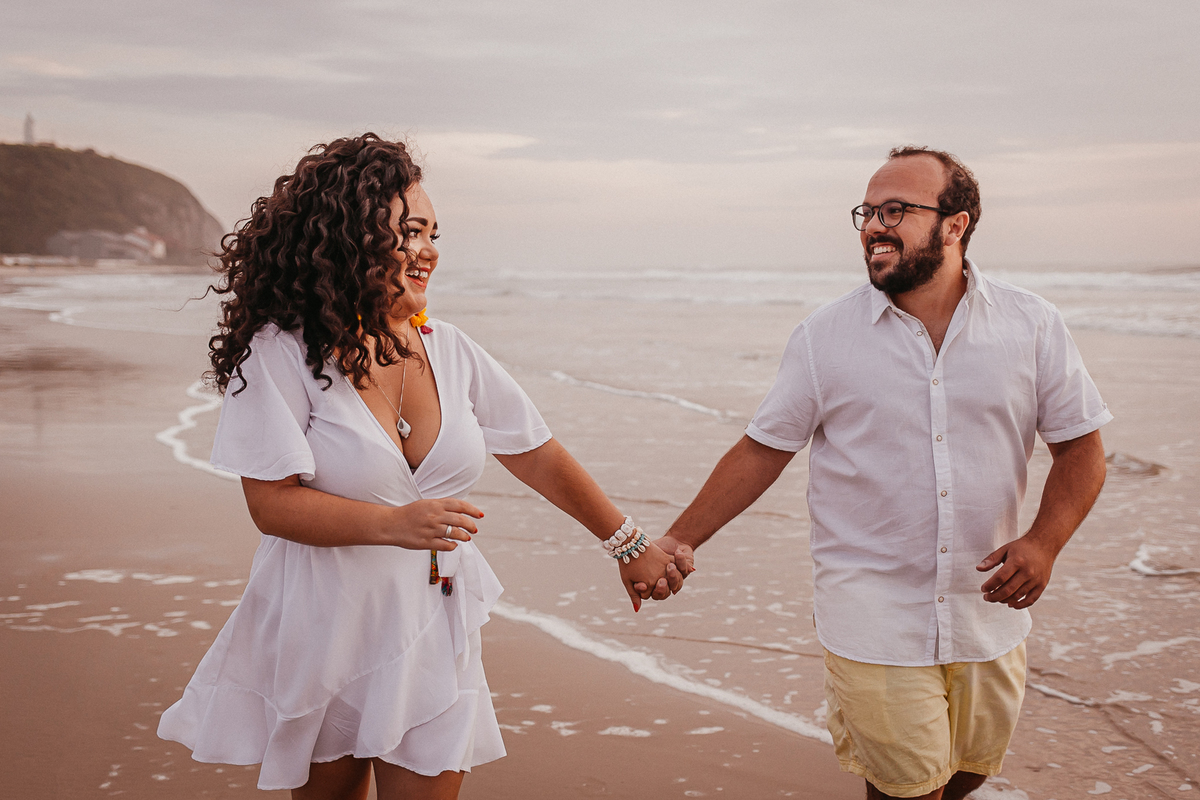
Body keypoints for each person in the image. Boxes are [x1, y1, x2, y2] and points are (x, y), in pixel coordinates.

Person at [157, 133, 682, 799]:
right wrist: (394, 523)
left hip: (434, 624)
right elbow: (272, 504)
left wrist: (627, 543)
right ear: (351, 234)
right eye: (410, 231)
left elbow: (536, 452)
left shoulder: (452, 350)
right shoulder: (283, 351)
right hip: (324, 629)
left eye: (434, 232)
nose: (429, 250)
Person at [646, 146, 1110, 799]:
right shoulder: (825, 336)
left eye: (896, 210)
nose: (873, 225)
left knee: (969, 772)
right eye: (867, 211)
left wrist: (1045, 542)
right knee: (905, 789)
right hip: (872, 610)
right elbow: (763, 449)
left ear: (956, 224)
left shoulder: (1031, 325)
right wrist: (679, 537)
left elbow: (1081, 448)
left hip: (988, 611)